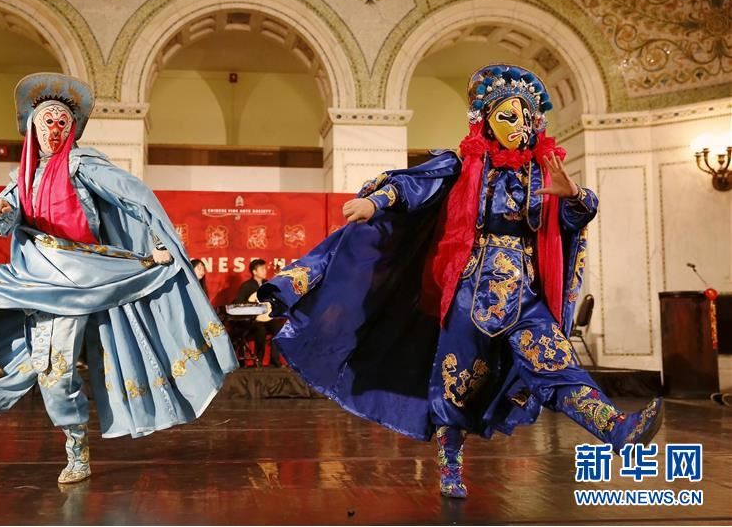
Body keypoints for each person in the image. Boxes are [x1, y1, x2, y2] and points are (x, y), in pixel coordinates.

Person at [258, 64, 663, 498]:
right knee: (458, 385)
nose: (520, 125)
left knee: (556, 364)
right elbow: (416, 186)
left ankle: (617, 431)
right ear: (486, 120)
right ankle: (450, 466)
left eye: (526, 117)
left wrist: (576, 196)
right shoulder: (464, 166)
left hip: (526, 297)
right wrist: (377, 204)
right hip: (471, 295)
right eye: (508, 116)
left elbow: (577, 214)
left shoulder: (544, 174)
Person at [0, 73, 238, 485]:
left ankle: (76, 452)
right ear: (32, 127)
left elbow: (135, 197)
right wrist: (0, 211)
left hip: (80, 277)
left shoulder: (82, 164)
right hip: (34, 273)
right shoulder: (22, 177)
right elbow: (7, 223)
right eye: (47, 121)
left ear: (70, 129)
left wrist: (159, 244)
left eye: (62, 122)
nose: (54, 129)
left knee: (56, 372)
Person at [235, 259, 282, 367]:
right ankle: (258, 360)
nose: (265, 271)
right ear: (254, 272)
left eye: (265, 268)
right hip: (253, 320)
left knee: (279, 328)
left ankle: (275, 359)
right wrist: (253, 306)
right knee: (260, 330)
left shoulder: (268, 284)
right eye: (262, 269)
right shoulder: (246, 286)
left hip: (267, 317)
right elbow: (239, 302)